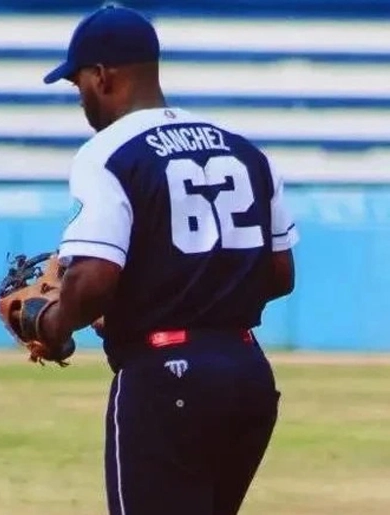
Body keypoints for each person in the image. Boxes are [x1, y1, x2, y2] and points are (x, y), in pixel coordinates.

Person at [32, 5, 299, 515]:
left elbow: (91, 283)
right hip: (247, 374)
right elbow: (279, 275)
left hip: (164, 379)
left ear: (102, 76)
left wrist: (52, 324)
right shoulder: (245, 149)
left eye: (78, 84)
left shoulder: (108, 151)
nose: (81, 97)